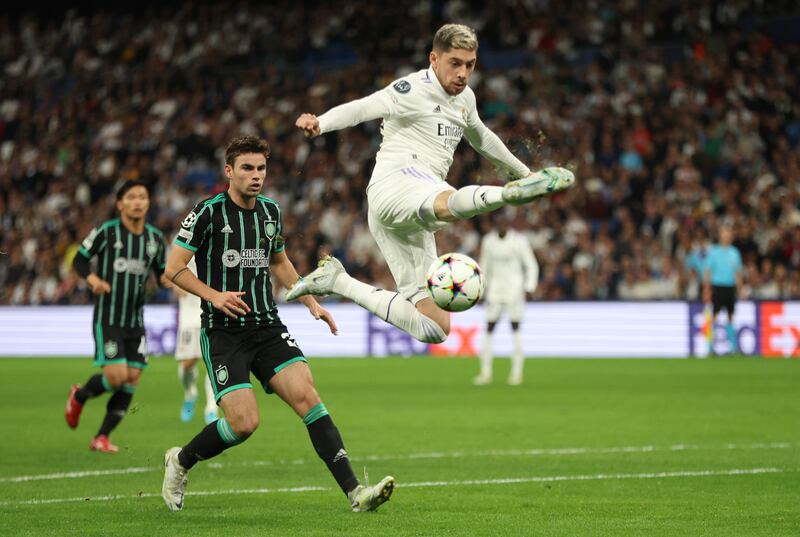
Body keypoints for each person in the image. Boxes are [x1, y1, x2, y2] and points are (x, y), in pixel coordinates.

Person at [288, 23, 575, 344]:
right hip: (395, 183)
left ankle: (339, 281)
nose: (463, 73)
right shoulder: (410, 90)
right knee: (447, 202)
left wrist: (525, 173)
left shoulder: (465, 98)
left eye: (470, 64)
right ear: (434, 59)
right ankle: (508, 196)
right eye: (455, 63)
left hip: (409, 215)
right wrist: (321, 123)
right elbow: (363, 108)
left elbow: (483, 138)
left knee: (435, 328)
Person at [161, 136, 394, 513]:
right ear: (229, 172)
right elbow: (173, 269)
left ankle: (356, 493)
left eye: (261, 169)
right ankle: (181, 461)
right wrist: (214, 295)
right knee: (243, 424)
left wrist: (310, 302)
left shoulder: (270, 212)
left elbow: (280, 263)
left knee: (309, 398)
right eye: (247, 169)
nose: (256, 176)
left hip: (267, 325)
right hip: (223, 332)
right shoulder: (207, 213)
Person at [64, 180, 168, 453]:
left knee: (133, 377)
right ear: (120, 204)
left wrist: (181, 283)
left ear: (148, 203)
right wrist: (92, 279)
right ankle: (80, 394)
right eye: (131, 197)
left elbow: (162, 276)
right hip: (108, 317)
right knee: (117, 376)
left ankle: (101, 437)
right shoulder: (107, 232)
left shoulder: (155, 239)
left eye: (142, 197)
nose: (137, 202)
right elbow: (80, 259)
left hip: (135, 320)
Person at [473, 214, 538, 386]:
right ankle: (485, 373)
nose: (501, 225)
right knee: (489, 328)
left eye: (504, 222)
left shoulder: (519, 241)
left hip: (514, 291)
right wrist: (481, 291)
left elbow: (531, 264)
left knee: (515, 328)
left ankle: (516, 373)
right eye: (498, 222)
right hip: (494, 291)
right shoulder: (488, 241)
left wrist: (529, 287)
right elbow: (484, 266)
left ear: (508, 224)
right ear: (495, 224)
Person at [173, 254, 218, 424]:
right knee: (186, 364)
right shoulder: (185, 238)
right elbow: (169, 269)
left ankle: (212, 408)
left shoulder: (219, 237)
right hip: (190, 315)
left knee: (213, 362)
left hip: (214, 311)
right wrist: (174, 284)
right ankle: (190, 393)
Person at [703, 224, 743, 355]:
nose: (726, 237)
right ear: (720, 236)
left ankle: (733, 347)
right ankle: (710, 347)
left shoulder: (735, 253)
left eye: (728, 235)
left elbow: (738, 273)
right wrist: (707, 289)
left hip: (730, 287)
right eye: (724, 235)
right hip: (718, 287)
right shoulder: (714, 252)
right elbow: (708, 271)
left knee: (731, 316)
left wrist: (740, 289)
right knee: (713, 317)